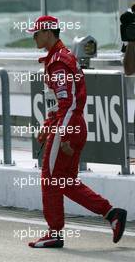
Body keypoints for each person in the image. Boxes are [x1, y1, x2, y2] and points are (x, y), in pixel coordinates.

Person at [27, 15, 127, 248]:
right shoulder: (57, 58)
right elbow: (62, 102)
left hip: (68, 125)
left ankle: (55, 233)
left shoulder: (59, 62)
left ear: (49, 33)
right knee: (64, 181)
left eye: (36, 33)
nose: (34, 37)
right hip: (70, 123)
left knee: (51, 179)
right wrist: (49, 126)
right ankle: (112, 214)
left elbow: (67, 102)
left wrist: (64, 135)